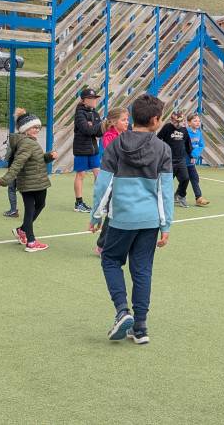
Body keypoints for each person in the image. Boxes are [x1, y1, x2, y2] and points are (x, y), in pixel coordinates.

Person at [90, 94, 174, 344]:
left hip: (121, 219)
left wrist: (96, 215)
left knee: (110, 260)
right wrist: (165, 224)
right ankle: (140, 327)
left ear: (133, 116)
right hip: (149, 221)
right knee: (142, 270)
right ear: (156, 120)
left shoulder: (115, 145)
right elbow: (165, 191)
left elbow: (103, 185)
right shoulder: (163, 148)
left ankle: (122, 311)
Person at [0, 110, 57, 252]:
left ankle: (22, 230)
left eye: (38, 127)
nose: (36, 130)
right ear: (25, 129)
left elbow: (37, 160)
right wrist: (5, 180)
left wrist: (49, 156)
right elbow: (18, 163)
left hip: (37, 182)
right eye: (33, 127)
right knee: (30, 210)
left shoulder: (30, 142)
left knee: (40, 205)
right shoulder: (27, 143)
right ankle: (31, 242)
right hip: (30, 183)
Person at [94, 107, 129, 254]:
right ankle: (102, 245)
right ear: (114, 122)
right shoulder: (109, 136)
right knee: (112, 211)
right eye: (123, 120)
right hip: (113, 178)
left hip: (126, 177)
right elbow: (117, 154)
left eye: (127, 120)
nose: (127, 122)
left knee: (123, 210)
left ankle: (118, 243)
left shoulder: (127, 135)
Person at [73, 88, 104, 213]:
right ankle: (78, 203)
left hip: (93, 149)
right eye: (91, 98)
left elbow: (99, 133)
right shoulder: (80, 113)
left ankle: (101, 201)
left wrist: (99, 127)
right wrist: (99, 126)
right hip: (81, 148)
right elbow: (87, 130)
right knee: (81, 175)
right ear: (84, 101)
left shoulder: (95, 114)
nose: (94, 100)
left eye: (95, 98)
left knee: (99, 174)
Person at [157, 111, 193, 208]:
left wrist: (191, 156)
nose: (178, 124)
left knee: (185, 178)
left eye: (180, 122)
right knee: (167, 181)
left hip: (181, 159)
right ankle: (163, 199)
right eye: (176, 122)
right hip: (168, 159)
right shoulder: (167, 128)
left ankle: (180, 195)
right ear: (172, 121)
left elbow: (187, 144)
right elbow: (158, 139)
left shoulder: (184, 130)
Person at [186, 113, 210, 207]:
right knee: (182, 179)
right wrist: (191, 155)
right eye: (195, 120)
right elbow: (184, 146)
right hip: (182, 162)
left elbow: (201, 145)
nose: (197, 122)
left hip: (191, 163)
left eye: (199, 121)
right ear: (189, 122)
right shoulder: (186, 132)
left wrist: (195, 154)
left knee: (194, 178)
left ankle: (198, 198)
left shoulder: (199, 133)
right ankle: (178, 195)